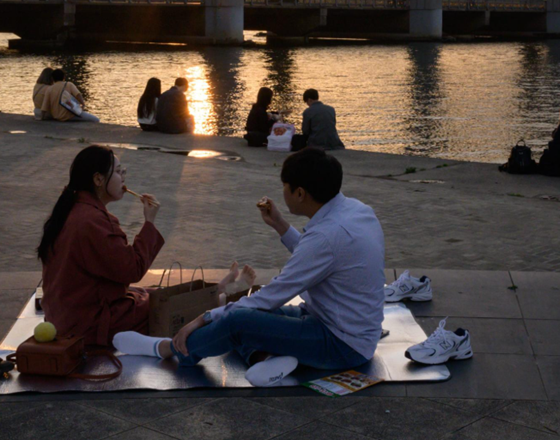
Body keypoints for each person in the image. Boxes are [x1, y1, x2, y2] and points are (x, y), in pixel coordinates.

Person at [113, 148, 385, 388]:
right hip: (330, 321)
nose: (283, 191)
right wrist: (280, 224)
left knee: (239, 319)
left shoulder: (325, 238)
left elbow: (277, 292)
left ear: (300, 193)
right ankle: (264, 358)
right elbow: (320, 258)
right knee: (245, 307)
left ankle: (168, 348)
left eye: (286, 186)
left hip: (341, 344)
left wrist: (203, 317)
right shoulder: (357, 211)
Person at [39, 146, 164, 345]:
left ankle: (218, 292)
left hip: (63, 315)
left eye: (124, 171)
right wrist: (149, 223)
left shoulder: (71, 208)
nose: (123, 177)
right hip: (88, 325)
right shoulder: (92, 221)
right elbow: (132, 269)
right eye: (117, 172)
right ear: (98, 179)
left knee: (150, 293)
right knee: (166, 306)